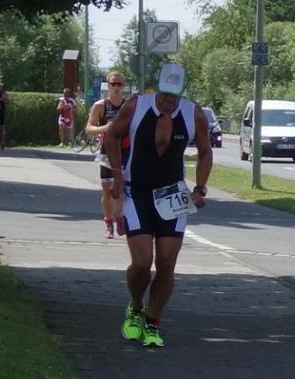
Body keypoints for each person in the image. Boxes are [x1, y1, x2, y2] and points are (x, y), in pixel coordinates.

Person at [101, 62, 212, 349]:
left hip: (172, 195)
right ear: (157, 89)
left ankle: (153, 320)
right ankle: (136, 306)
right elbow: (111, 135)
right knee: (142, 263)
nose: (168, 100)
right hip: (136, 191)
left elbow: (205, 151)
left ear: (182, 93)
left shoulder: (194, 114)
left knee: (166, 263)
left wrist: (200, 187)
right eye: (164, 94)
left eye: (174, 96)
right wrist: (116, 174)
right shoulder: (136, 105)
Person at [86, 71, 131, 239]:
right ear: (108, 85)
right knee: (107, 190)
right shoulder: (100, 105)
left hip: (125, 152)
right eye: (113, 84)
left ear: (124, 86)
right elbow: (89, 128)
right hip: (106, 152)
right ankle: (108, 222)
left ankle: (119, 217)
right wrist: (104, 128)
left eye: (119, 84)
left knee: (121, 189)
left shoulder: (129, 106)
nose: (116, 87)